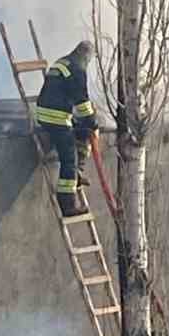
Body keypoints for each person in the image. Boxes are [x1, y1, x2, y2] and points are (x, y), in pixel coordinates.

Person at [35, 40, 99, 218]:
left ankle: (77, 174)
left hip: (44, 113)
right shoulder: (78, 70)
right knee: (68, 159)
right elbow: (82, 102)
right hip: (57, 117)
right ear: (86, 55)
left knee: (82, 133)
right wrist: (92, 123)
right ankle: (68, 204)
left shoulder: (63, 61)